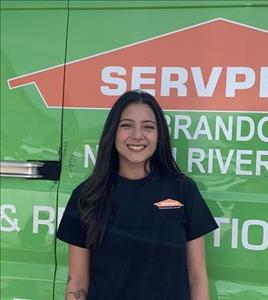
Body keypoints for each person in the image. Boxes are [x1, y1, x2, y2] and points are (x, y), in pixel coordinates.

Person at [57, 90, 218, 300]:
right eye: (126, 125)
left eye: (148, 127)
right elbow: (77, 280)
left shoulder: (183, 191)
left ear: (159, 135)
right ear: (112, 132)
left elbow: (197, 277)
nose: (137, 135)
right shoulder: (87, 196)